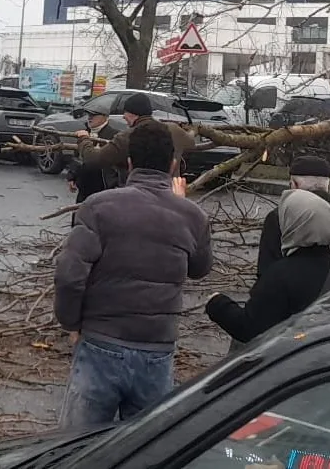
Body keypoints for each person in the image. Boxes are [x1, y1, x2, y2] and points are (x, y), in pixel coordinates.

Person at [54, 121, 212, 428]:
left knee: (76, 449)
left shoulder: (98, 207)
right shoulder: (192, 216)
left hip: (101, 343)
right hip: (157, 351)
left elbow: (69, 275)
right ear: (173, 164)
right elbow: (200, 269)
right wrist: (183, 210)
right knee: (145, 449)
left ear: (129, 163)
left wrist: (71, 324)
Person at [206, 189, 330, 344]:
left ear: (293, 225)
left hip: (294, 363)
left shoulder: (281, 275)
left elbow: (250, 329)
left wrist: (217, 304)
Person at [257, 156, 330, 277]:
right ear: (329, 187)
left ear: (294, 185)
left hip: (287, 292)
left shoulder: (278, 218)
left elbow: (265, 271)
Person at [72, 93, 197, 194]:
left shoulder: (128, 137)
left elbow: (93, 159)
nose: (123, 117)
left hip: (138, 195)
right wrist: (191, 130)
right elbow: (191, 143)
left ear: (132, 113)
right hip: (171, 193)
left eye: (125, 113)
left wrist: (84, 139)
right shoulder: (174, 130)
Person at [67, 107, 121, 204]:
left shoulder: (114, 135)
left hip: (103, 187)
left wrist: (114, 182)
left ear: (105, 117)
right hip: (84, 186)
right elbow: (76, 157)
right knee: (79, 215)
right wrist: (72, 176)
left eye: (94, 115)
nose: (90, 118)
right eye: (89, 115)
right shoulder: (84, 133)